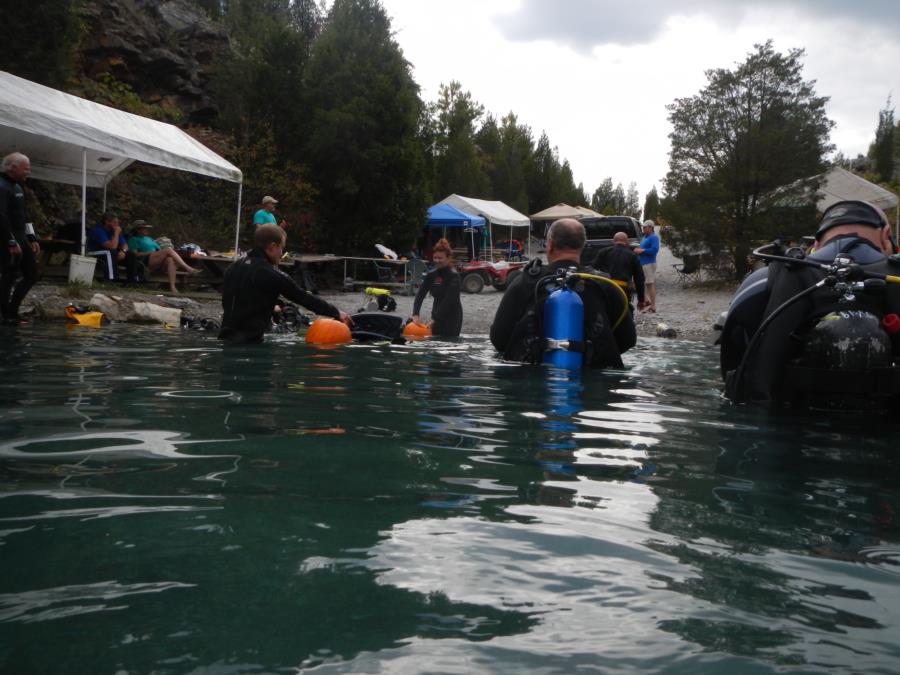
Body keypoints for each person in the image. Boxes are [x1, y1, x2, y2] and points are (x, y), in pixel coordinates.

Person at [720, 199, 900, 405]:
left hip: (780, 428)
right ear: (886, 236)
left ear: (816, 244)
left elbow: (731, 368)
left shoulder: (764, 281)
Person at [490, 218, 636, 368]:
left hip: (532, 379)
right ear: (583, 247)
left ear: (550, 245)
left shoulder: (525, 282)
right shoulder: (605, 285)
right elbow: (628, 339)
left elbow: (499, 339)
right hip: (592, 380)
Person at [219, 224, 352, 343]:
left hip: (225, 339)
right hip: (250, 345)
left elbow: (242, 297)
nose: (282, 253)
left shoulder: (233, 268)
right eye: (282, 248)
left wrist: (275, 305)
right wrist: (336, 313)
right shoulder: (271, 274)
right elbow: (304, 298)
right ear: (272, 247)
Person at [0, 152, 39, 324]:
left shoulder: (17, 187)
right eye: (26, 169)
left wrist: (32, 238)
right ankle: (6, 315)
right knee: (9, 275)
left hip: (21, 238)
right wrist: (10, 241)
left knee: (32, 274)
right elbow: (1, 216)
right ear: (12, 168)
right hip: (7, 239)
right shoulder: (2, 186)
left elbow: (24, 214)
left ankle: (12, 311)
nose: (28, 172)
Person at [126, 220, 201, 293]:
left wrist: (160, 252)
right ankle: (188, 269)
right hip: (145, 260)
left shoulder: (149, 239)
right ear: (138, 230)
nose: (147, 229)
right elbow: (135, 254)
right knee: (168, 250)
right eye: (144, 228)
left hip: (156, 258)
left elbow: (158, 249)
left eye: (146, 228)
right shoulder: (133, 239)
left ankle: (172, 287)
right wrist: (150, 252)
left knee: (170, 260)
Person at [411, 238, 462, 337]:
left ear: (448, 258)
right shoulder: (431, 275)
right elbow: (420, 295)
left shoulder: (454, 276)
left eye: (440, 258)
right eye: (435, 257)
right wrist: (415, 314)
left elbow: (449, 300)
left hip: (452, 318)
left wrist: (434, 319)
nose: (437, 260)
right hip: (436, 314)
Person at [591, 231, 646, 310]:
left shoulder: (603, 252)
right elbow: (639, 279)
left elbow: (592, 270)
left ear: (613, 241)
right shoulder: (632, 256)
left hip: (606, 289)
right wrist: (641, 300)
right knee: (623, 313)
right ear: (627, 242)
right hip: (623, 291)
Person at [87, 211, 140, 283]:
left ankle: (132, 281)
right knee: (110, 252)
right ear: (107, 222)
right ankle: (112, 280)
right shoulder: (98, 230)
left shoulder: (114, 230)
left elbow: (125, 245)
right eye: (114, 222)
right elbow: (112, 246)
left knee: (131, 254)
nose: (117, 224)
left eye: (117, 222)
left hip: (111, 252)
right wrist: (116, 233)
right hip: (95, 252)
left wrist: (123, 251)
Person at [634, 220, 660, 312]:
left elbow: (655, 250)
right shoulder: (645, 237)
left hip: (649, 263)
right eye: (643, 227)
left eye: (644, 227)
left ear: (650, 228)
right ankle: (647, 301)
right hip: (643, 263)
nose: (643, 229)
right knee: (639, 283)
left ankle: (653, 306)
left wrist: (642, 251)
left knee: (649, 284)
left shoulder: (653, 238)